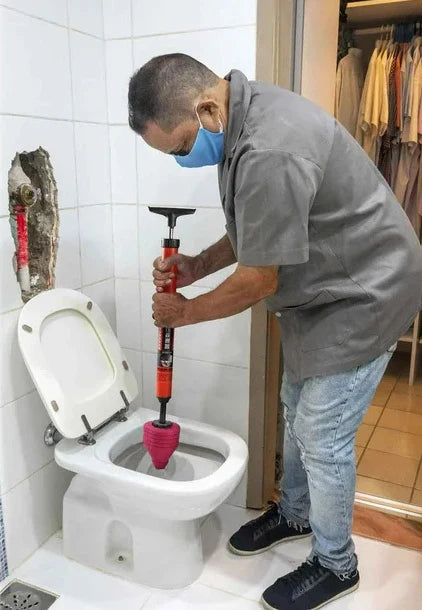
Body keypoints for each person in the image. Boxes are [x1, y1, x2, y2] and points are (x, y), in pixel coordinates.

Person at [128, 54, 422, 610]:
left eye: (181, 146)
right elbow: (258, 228)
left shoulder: (268, 147)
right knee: (294, 406)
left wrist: (185, 313)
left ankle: (336, 564)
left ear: (206, 109)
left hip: (368, 292)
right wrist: (196, 266)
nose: (183, 159)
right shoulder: (239, 121)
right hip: (325, 290)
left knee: (321, 433)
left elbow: (259, 278)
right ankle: (296, 513)